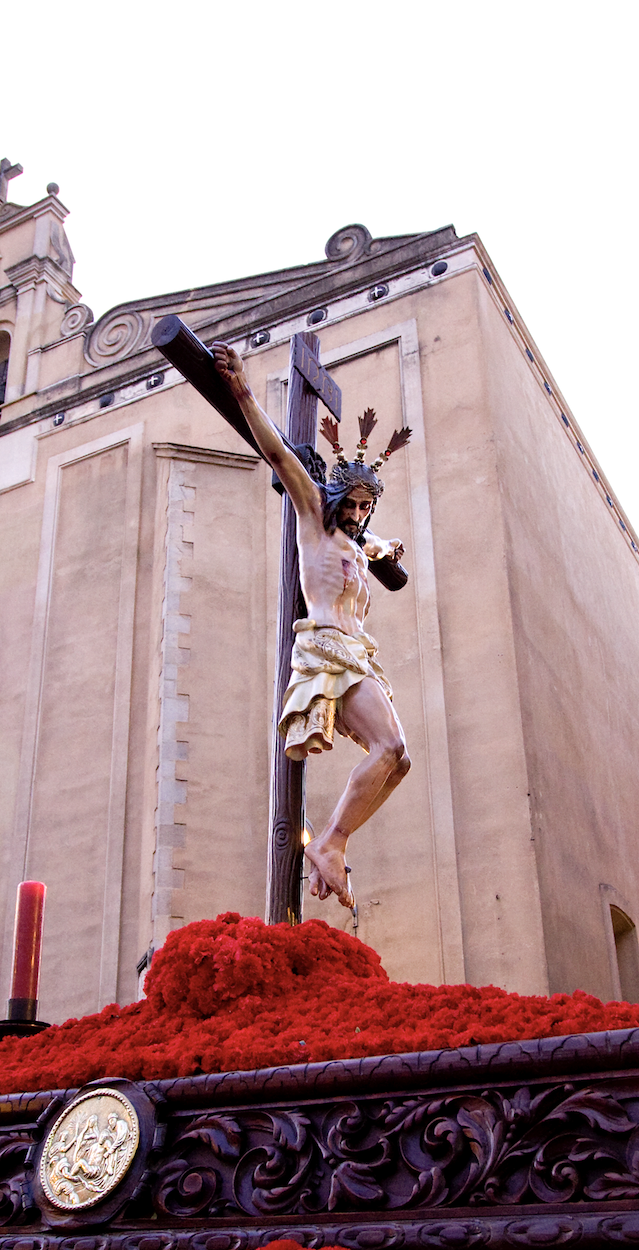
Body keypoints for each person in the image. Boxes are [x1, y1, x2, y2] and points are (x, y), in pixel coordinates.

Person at [212, 341, 411, 909]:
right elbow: (277, 455)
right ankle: (330, 841)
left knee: (399, 757)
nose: (355, 514)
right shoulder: (313, 523)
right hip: (327, 651)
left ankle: (330, 842)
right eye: (350, 503)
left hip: (358, 654)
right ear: (334, 497)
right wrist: (245, 392)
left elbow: (377, 546)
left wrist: (381, 546)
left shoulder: (355, 543)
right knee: (391, 744)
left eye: (364, 508)